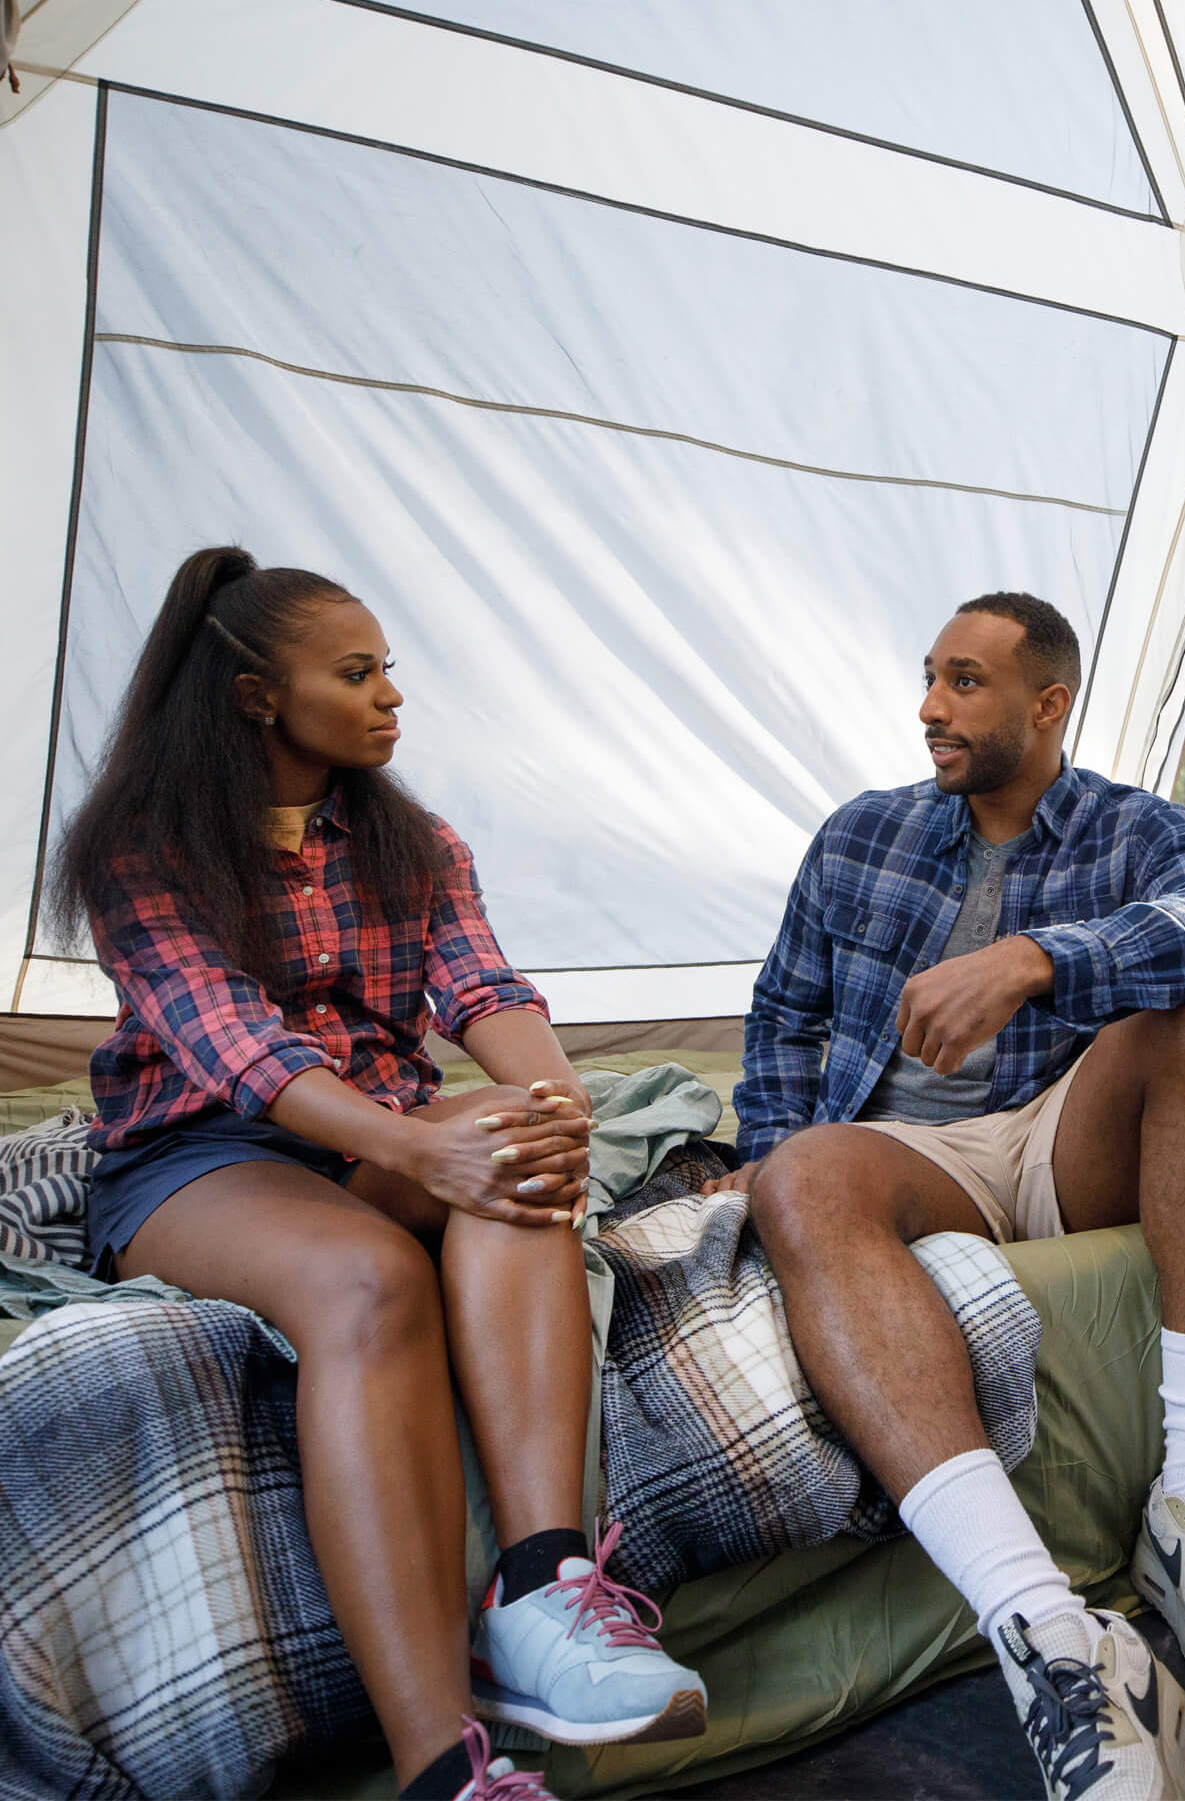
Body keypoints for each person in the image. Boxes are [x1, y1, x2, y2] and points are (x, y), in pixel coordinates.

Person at [52, 548, 704, 1801]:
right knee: (367, 1280)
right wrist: (417, 1145)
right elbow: (237, 1046)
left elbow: (483, 988)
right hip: (203, 1155)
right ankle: (442, 1767)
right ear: (257, 696)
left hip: (375, 1135)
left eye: (387, 669)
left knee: (512, 1144)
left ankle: (542, 1589)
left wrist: (557, 1106)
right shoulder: (146, 848)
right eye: (355, 674)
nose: (390, 694)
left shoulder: (413, 841)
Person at [705, 591, 1185, 1801]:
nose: (932, 706)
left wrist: (1036, 958)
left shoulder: (1129, 827)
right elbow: (783, 1015)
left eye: (966, 681)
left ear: (1047, 703)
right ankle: (1043, 1624)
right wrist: (763, 1148)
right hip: (908, 1155)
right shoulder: (862, 834)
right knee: (803, 1168)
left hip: (1056, 1135)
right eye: (930, 676)